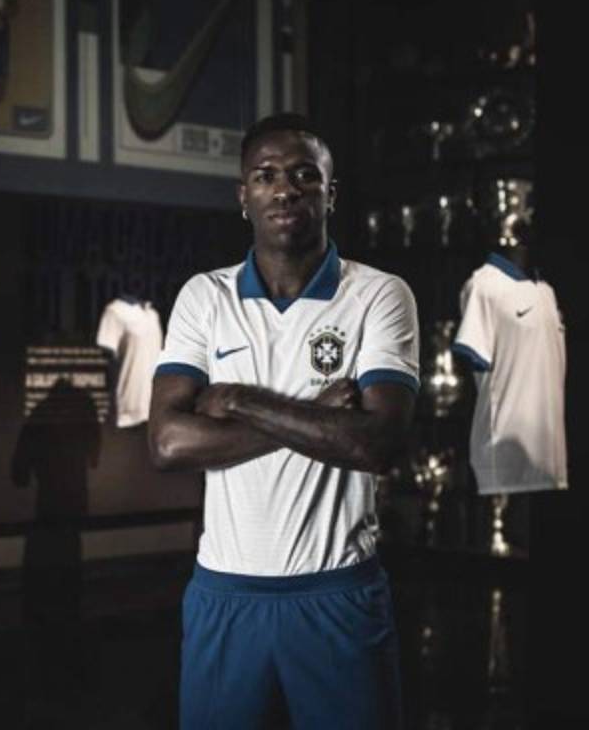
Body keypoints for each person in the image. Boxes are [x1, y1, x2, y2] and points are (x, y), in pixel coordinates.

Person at [149, 113, 419, 729]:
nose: (285, 189)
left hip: (337, 595)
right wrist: (318, 416)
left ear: (331, 193)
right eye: (265, 175)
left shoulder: (379, 295)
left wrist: (238, 400)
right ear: (243, 196)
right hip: (225, 596)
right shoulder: (205, 297)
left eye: (304, 175)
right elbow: (167, 442)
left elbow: (377, 443)